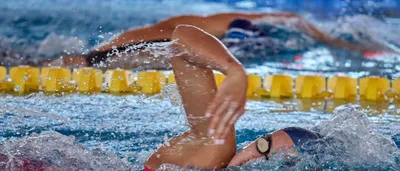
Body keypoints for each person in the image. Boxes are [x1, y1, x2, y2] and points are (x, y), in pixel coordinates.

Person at [137, 24, 322, 171]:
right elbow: (181, 37)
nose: (252, 156)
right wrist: (234, 71)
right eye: (262, 142)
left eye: (264, 150)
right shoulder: (214, 152)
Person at [51, 12, 385, 69]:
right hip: (116, 53)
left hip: (122, 51)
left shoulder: (291, 24)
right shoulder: (215, 24)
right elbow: (163, 30)